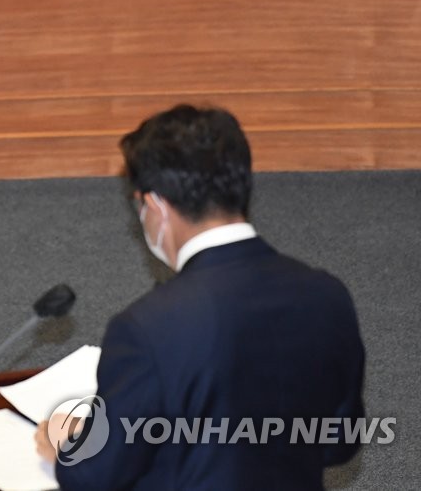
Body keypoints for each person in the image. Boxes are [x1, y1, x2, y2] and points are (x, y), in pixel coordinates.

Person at [37, 104, 365, 489]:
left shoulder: (146, 328)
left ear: (157, 207)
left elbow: (94, 477)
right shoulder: (328, 295)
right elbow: (340, 443)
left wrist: (68, 444)